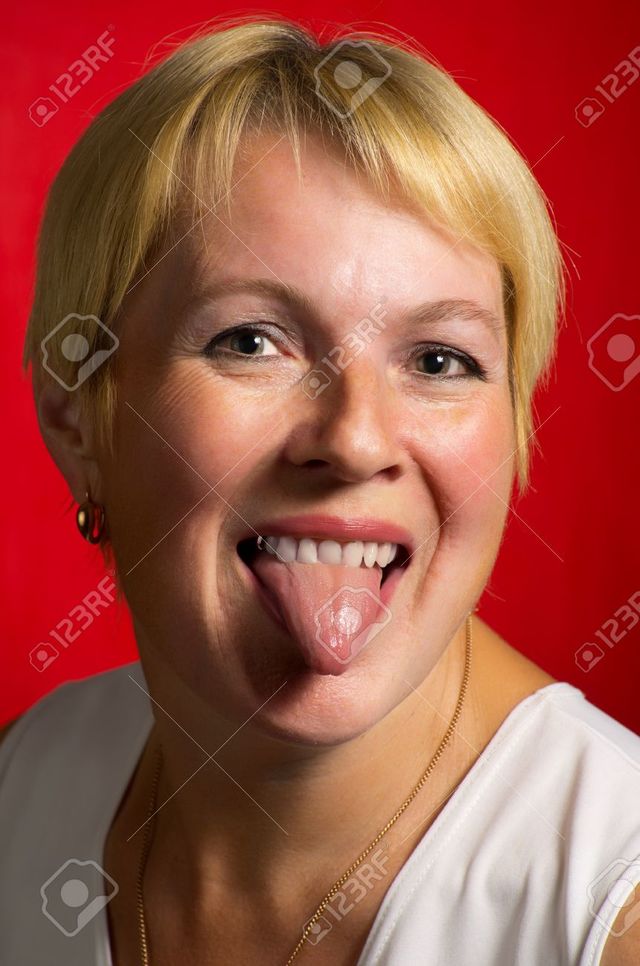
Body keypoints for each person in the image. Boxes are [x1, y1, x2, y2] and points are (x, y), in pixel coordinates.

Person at [2, 16, 639, 966]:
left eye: (439, 358)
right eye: (250, 342)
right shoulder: (24, 782)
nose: (355, 440)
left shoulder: (608, 912)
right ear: (77, 418)